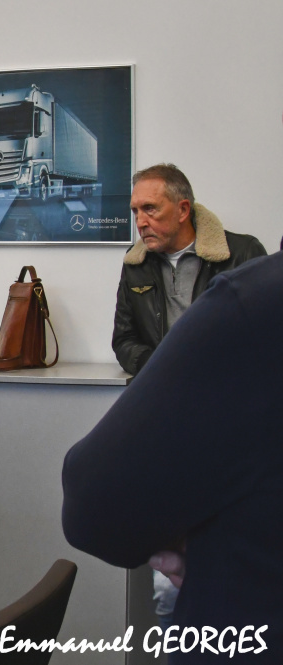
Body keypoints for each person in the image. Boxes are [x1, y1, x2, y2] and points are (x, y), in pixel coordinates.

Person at [63, 253, 283, 662]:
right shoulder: (139, 267)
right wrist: (161, 371)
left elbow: (95, 500)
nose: (141, 223)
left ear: (183, 217)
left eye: (151, 215)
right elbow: (124, 339)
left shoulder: (252, 298)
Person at [111, 163, 265, 375]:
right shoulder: (136, 262)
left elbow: (266, 333)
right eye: (135, 211)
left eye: (150, 208)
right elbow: (124, 340)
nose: (140, 222)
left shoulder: (242, 253)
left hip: (227, 385)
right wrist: (156, 366)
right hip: (164, 384)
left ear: (183, 210)